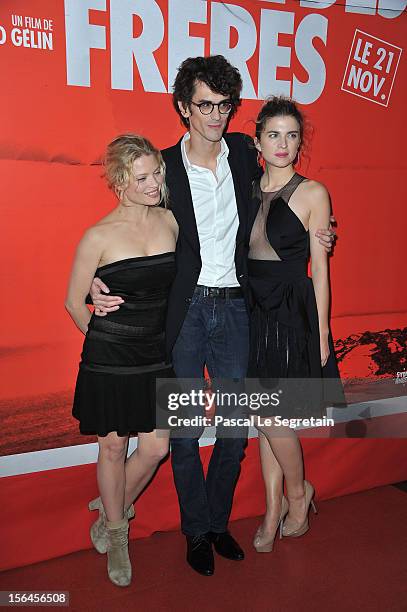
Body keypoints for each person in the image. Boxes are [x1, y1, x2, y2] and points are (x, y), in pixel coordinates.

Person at [90, 55, 335, 577]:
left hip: (238, 310)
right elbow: (125, 223)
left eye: (224, 105)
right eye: (204, 105)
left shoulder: (246, 154)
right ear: (184, 107)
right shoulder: (164, 168)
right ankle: (195, 530)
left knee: (233, 430)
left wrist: (321, 231)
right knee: (181, 434)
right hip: (186, 312)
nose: (215, 116)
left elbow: (287, 197)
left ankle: (219, 523)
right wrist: (94, 277)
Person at [65, 134, 178, 587]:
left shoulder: (170, 221)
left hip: (157, 352)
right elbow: (75, 304)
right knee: (112, 447)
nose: (154, 184)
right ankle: (116, 534)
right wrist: (98, 323)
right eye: (143, 177)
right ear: (119, 181)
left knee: (155, 447)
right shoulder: (98, 235)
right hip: (110, 354)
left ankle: (111, 508)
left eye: (158, 174)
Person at [247, 96, 343, 553]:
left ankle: (298, 496)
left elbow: (320, 270)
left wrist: (322, 332)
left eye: (291, 135)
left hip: (290, 309)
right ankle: (273, 509)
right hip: (249, 309)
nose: (283, 144)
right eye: (273, 134)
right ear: (258, 140)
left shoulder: (313, 193)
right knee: (263, 419)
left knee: (272, 415)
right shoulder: (244, 187)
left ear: (300, 142)